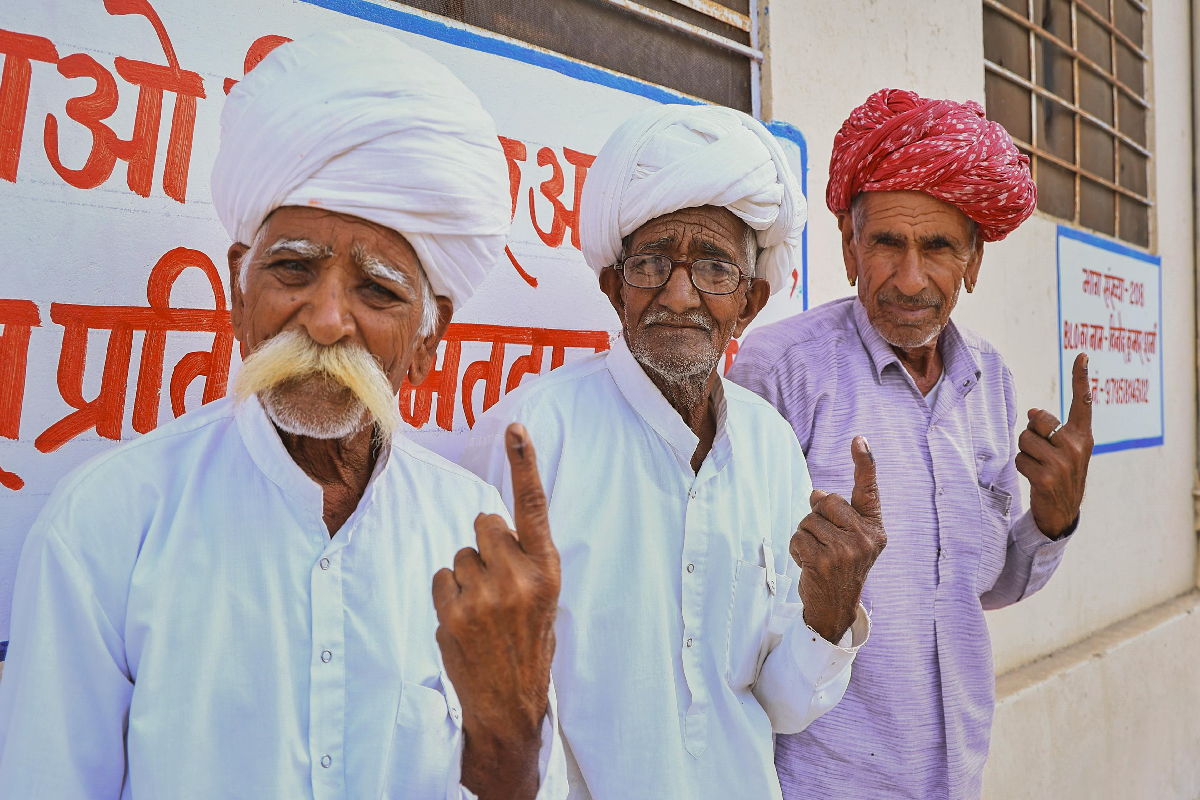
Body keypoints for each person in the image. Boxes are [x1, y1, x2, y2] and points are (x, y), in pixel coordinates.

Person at [0, 30, 566, 800]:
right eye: (293, 269)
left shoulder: (471, 525)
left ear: (431, 338)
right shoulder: (107, 523)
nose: (327, 320)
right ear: (239, 287)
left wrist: (511, 733)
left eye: (378, 291)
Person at [460, 104, 886, 800]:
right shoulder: (534, 437)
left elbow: (782, 705)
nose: (680, 295)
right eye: (653, 263)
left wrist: (830, 610)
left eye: (714, 269)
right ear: (613, 287)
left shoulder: (770, 444)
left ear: (747, 302)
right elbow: (475, 701)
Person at [729, 88, 1094, 799]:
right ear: (847, 248)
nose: (908, 279)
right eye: (886, 244)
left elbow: (983, 586)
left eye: (937, 248)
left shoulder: (990, 382)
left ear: (974, 261)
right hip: (817, 781)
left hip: (957, 774)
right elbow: (727, 598)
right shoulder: (780, 372)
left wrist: (1053, 521)